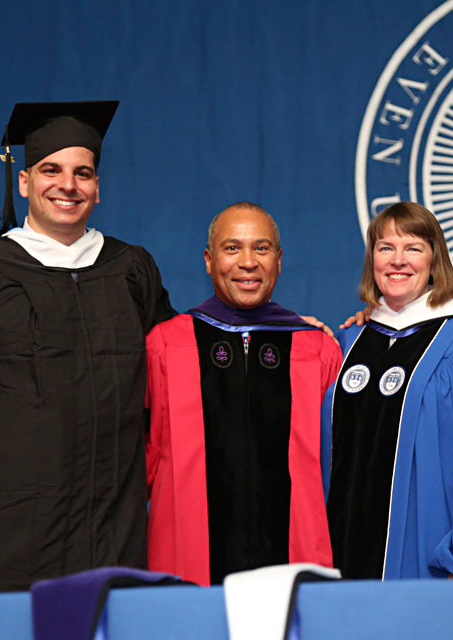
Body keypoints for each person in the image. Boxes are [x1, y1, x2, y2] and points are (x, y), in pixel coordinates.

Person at [0, 101, 175, 634]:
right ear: (24, 181)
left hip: (109, 539)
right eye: (51, 170)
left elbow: (179, 365)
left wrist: (269, 325)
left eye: (83, 173)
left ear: (98, 187)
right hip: (1, 545)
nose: (66, 185)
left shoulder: (129, 270)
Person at [145, 202, 341, 586]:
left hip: (292, 551)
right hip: (189, 559)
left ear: (279, 260)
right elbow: (141, 460)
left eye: (261, 248)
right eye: (232, 248)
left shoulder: (318, 349)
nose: (248, 262)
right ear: (208, 259)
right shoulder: (166, 344)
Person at [325, 202, 453, 580]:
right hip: (341, 558)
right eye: (386, 248)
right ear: (372, 260)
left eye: (413, 248)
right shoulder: (350, 341)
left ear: (435, 261)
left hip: (429, 560)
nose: (398, 260)